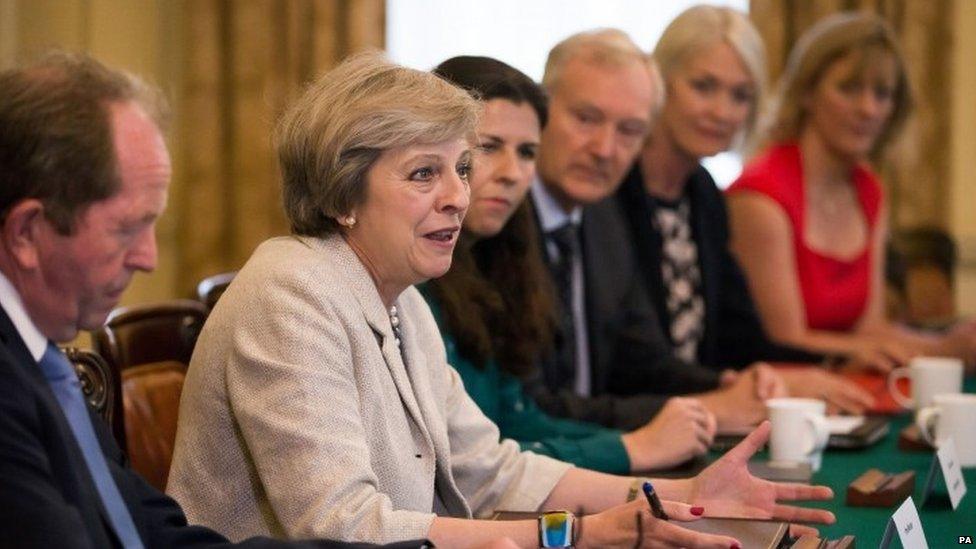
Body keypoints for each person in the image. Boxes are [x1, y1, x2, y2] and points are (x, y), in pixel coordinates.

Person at [167, 51, 835, 549]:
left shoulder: (402, 299)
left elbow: (490, 467)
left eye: (460, 168)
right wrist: (576, 535)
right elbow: (341, 525)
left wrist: (679, 493)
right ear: (343, 195)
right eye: (424, 173)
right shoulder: (292, 289)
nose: (459, 195)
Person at [0, 52, 434, 549]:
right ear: (26, 234)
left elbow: (157, 537)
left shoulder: (37, 360)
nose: (148, 259)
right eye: (126, 229)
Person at [424, 55, 716, 475]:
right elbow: (467, 464)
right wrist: (631, 449)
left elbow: (518, 419)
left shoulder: (494, 258)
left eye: (526, 153)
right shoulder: (414, 276)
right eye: (488, 147)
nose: (512, 173)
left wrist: (645, 438)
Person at [614, 5, 875, 414]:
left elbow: (738, 337)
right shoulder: (613, 187)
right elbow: (631, 362)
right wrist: (766, 382)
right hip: (641, 419)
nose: (722, 112)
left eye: (740, 95)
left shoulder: (704, 194)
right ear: (659, 83)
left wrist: (829, 365)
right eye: (704, 86)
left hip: (701, 413)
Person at [527, 28, 785, 432]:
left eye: (628, 130)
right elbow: (529, 412)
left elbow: (641, 361)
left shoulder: (601, 217)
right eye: (586, 118)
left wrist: (726, 384)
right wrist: (708, 409)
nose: (604, 149)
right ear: (539, 111)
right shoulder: (498, 223)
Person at [727, 12, 976, 373]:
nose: (868, 109)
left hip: (845, 391)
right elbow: (784, 340)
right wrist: (935, 351)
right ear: (808, 92)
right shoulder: (762, 193)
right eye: (849, 88)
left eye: (882, 93)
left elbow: (868, 329)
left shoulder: (870, 189)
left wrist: (949, 344)